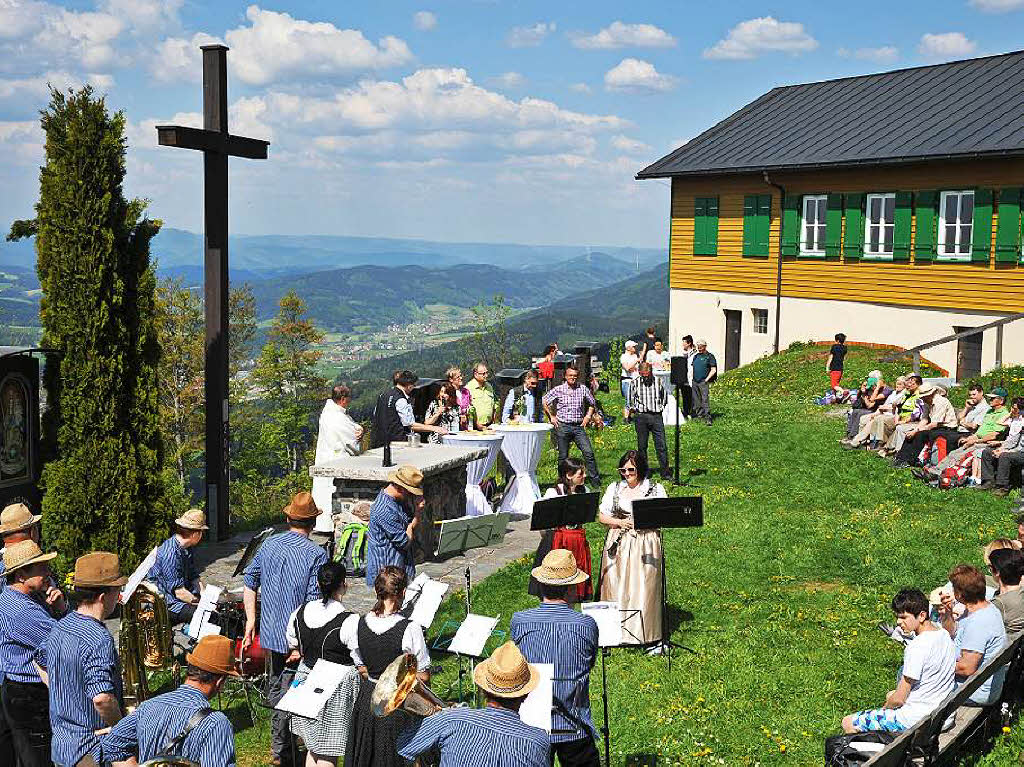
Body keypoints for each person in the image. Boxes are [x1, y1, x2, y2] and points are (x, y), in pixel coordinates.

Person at [243, 491, 329, 767]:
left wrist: (251, 620)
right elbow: (313, 603)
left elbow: (249, 581)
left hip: (269, 632)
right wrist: (301, 644)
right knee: (292, 694)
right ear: (313, 524)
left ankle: (283, 748)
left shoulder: (268, 545)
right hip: (297, 638)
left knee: (278, 686)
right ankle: (285, 752)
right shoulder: (316, 554)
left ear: (288, 517)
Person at [397, 641, 550, 767]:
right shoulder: (538, 742)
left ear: (482, 689)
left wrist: (437, 719)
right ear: (526, 694)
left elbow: (403, 746)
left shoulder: (450, 720)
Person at [512, 550, 600, 767]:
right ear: (571, 589)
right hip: (574, 720)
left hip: (531, 722)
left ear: (540, 585)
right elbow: (589, 663)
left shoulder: (519, 621)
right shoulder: (586, 624)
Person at [44, 551, 127, 767]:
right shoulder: (99, 639)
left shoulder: (60, 626)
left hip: (62, 746)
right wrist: (121, 729)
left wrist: (66, 688)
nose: (119, 597)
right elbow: (101, 698)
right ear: (102, 597)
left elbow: (39, 659)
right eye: (117, 591)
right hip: (89, 750)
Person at [103, 635, 238, 767]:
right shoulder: (215, 723)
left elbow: (112, 743)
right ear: (220, 682)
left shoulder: (148, 706)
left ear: (190, 669)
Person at [347, 566, 431, 767]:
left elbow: (361, 668)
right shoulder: (410, 628)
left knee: (368, 755)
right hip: (397, 703)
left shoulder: (357, 624)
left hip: (368, 699)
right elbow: (424, 676)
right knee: (392, 757)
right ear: (403, 593)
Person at [841, 588, 954, 734]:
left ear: (922, 615)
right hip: (944, 716)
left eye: (904, 617)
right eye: (897, 617)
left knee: (848, 722)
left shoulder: (917, 647)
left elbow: (899, 699)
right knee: (890, 694)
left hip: (920, 720)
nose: (898, 622)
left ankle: (875, 754)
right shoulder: (944, 634)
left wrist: (884, 709)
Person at [286, 561, 361, 767]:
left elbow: (293, 641)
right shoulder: (350, 620)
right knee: (327, 751)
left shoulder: (300, 611)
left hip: (306, 679)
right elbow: (359, 657)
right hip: (334, 686)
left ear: (318, 585)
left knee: (312, 746)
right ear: (344, 585)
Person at [598, 450, 667, 648]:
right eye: (623, 470)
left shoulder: (655, 489)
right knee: (615, 584)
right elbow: (602, 517)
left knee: (645, 585)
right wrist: (619, 522)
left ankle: (645, 633)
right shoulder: (615, 488)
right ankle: (613, 634)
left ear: (640, 469)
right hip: (619, 542)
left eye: (631, 470)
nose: (626, 474)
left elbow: (663, 516)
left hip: (646, 542)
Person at [0, 540, 58, 767]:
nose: (48, 572)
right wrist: (64, 611)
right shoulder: (21, 611)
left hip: (22, 694)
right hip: (29, 697)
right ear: (21, 576)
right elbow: (65, 641)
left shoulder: (24, 598)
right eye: (40, 567)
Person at [937, 564, 1007, 706]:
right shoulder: (983, 607)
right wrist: (948, 613)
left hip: (973, 690)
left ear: (960, 595)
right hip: (975, 684)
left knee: (912, 676)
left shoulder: (979, 623)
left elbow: (966, 668)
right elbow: (954, 632)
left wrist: (935, 666)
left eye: (954, 589)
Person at [529, 458, 592, 602]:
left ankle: (570, 608)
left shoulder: (585, 491)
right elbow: (542, 521)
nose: (584, 476)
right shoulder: (553, 492)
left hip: (576, 541)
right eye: (580, 474)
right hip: (557, 540)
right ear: (569, 475)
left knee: (574, 580)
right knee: (553, 577)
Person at [917, 387, 1009, 481]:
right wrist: (971, 438)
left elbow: (993, 435)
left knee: (960, 454)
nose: (990, 400)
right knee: (954, 452)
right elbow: (980, 431)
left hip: (988, 443)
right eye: (990, 398)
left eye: (993, 398)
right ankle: (934, 471)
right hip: (977, 439)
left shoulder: (1004, 414)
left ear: (1001, 401)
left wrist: (975, 441)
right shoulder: (990, 412)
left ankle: (938, 474)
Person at [313, 385, 364, 529]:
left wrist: (359, 429)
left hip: (328, 457)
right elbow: (350, 439)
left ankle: (325, 523)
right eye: (348, 398)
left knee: (325, 492)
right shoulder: (335, 416)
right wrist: (359, 435)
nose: (350, 401)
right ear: (342, 399)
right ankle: (330, 524)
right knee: (331, 493)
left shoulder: (332, 412)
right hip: (335, 459)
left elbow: (352, 427)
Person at [365, 465, 424, 587]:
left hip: (398, 568)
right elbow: (405, 541)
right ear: (401, 488)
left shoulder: (397, 501)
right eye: (411, 492)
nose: (412, 495)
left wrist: (415, 515)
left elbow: (409, 525)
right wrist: (411, 524)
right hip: (386, 575)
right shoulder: (384, 510)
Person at [542, 363, 601, 483]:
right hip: (563, 425)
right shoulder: (558, 390)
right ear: (565, 376)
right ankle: (563, 480)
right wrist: (551, 417)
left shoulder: (582, 388)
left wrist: (588, 416)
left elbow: (592, 403)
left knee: (588, 452)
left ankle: (595, 480)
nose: (572, 378)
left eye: (575, 376)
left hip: (578, 426)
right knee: (563, 456)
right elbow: (544, 401)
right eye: (570, 375)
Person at [149, 508, 208, 626]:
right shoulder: (170, 554)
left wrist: (205, 595)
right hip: (167, 604)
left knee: (214, 611)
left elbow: (194, 576)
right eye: (202, 532)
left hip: (179, 596)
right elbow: (179, 592)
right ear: (196, 534)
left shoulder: (187, 547)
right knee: (208, 617)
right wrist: (202, 604)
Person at [370, 370, 446, 448]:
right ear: (409, 385)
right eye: (414, 385)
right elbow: (411, 425)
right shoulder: (401, 400)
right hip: (396, 443)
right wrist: (434, 428)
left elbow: (376, 414)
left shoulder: (383, 395)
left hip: (378, 442)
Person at [892, 383, 959, 469]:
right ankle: (901, 458)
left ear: (930, 394)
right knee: (912, 434)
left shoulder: (941, 402)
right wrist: (915, 429)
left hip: (948, 428)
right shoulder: (927, 402)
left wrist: (916, 431)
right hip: (936, 426)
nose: (922, 399)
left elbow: (934, 423)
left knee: (920, 434)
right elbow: (924, 419)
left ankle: (910, 459)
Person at [628, 362, 670, 479]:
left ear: (651, 372)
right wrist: (634, 411)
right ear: (639, 373)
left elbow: (664, 397)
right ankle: (644, 472)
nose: (646, 377)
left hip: (656, 416)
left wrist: (660, 408)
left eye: (647, 374)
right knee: (642, 446)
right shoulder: (634, 383)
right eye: (643, 375)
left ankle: (665, 472)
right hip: (641, 416)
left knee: (661, 445)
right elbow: (631, 400)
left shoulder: (659, 381)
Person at [977, 397, 1024, 496]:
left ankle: (1002, 487)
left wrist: (1005, 451)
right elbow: (1014, 440)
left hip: (1021, 451)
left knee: (1005, 456)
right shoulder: (1015, 419)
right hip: (1014, 447)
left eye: (1015, 409)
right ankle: (988, 481)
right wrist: (1002, 448)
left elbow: (1020, 446)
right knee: (987, 452)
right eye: (1013, 408)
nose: (1013, 410)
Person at [841, 371, 890, 441]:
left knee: (860, 413)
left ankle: (853, 435)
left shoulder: (886, 390)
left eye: (873, 386)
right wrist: (862, 393)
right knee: (855, 411)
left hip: (878, 411)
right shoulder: (875, 389)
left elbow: (871, 403)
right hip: (873, 409)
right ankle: (849, 433)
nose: (872, 388)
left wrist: (876, 388)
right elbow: (862, 401)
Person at [989, 548, 1024, 641]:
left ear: (997, 572)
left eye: (990, 567)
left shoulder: (999, 603)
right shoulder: (1021, 592)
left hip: (1003, 649)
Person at [691, 340, 717, 425]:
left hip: (703, 381)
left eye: (701, 347)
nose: (699, 349)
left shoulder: (710, 356)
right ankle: (699, 416)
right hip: (695, 381)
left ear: (705, 346)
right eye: (698, 347)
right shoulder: (696, 356)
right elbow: (693, 367)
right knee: (696, 400)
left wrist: (706, 379)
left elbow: (713, 370)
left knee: (704, 400)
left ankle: (708, 418)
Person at [467, 362, 498, 428]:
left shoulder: (489, 386)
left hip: (489, 426)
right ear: (475, 374)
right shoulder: (468, 388)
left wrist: (493, 421)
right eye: (483, 374)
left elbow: (494, 405)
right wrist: (476, 424)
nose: (486, 375)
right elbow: (467, 410)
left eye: (487, 373)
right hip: (474, 427)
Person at [619, 341, 640, 421]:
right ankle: (626, 418)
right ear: (628, 348)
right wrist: (635, 362)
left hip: (635, 379)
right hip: (627, 380)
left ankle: (631, 416)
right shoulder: (624, 357)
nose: (635, 348)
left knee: (635, 399)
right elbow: (627, 368)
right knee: (628, 400)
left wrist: (633, 365)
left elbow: (634, 368)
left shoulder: (635, 356)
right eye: (633, 346)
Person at [679, 335, 696, 418]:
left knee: (692, 396)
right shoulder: (683, 353)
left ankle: (692, 412)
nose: (683, 345)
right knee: (684, 395)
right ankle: (686, 412)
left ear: (689, 343)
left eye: (684, 343)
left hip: (691, 377)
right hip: (683, 378)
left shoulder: (695, 354)